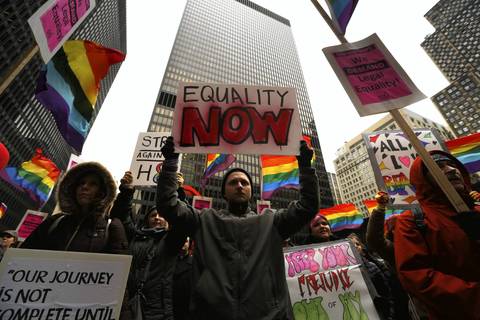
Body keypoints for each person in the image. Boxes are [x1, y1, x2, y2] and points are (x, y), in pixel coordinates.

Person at [157, 137, 319, 319]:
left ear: (251, 191)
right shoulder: (204, 220)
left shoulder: (272, 221)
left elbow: (308, 206)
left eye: (245, 182)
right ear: (224, 193)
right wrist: (171, 163)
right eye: (233, 183)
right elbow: (168, 205)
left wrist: (305, 166)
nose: (240, 186)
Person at [394, 150, 480, 320]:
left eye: (452, 165)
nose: (450, 169)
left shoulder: (477, 210)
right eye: (439, 167)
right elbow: (417, 276)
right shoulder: (411, 221)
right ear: (424, 179)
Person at [110, 171, 189, 320]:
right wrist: (127, 191)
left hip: (157, 312)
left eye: (162, 215)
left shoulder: (171, 240)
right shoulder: (135, 236)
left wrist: (178, 191)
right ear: (147, 220)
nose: (157, 218)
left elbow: (182, 220)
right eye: (153, 215)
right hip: (125, 305)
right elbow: (121, 217)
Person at [22, 162, 128, 254]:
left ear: (102, 193)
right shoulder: (54, 222)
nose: (85, 187)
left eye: (93, 184)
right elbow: (23, 255)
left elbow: (117, 270)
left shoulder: (111, 227)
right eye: (81, 183)